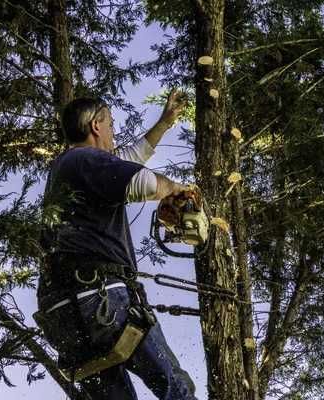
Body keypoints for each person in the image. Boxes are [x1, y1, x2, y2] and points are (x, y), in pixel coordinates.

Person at [36, 90, 198, 400]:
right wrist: (178, 190)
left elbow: (130, 157)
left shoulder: (69, 168)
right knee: (175, 389)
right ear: (96, 126)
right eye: (110, 123)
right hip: (100, 300)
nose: (113, 131)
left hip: (63, 318)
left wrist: (165, 122)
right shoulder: (86, 159)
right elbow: (146, 183)